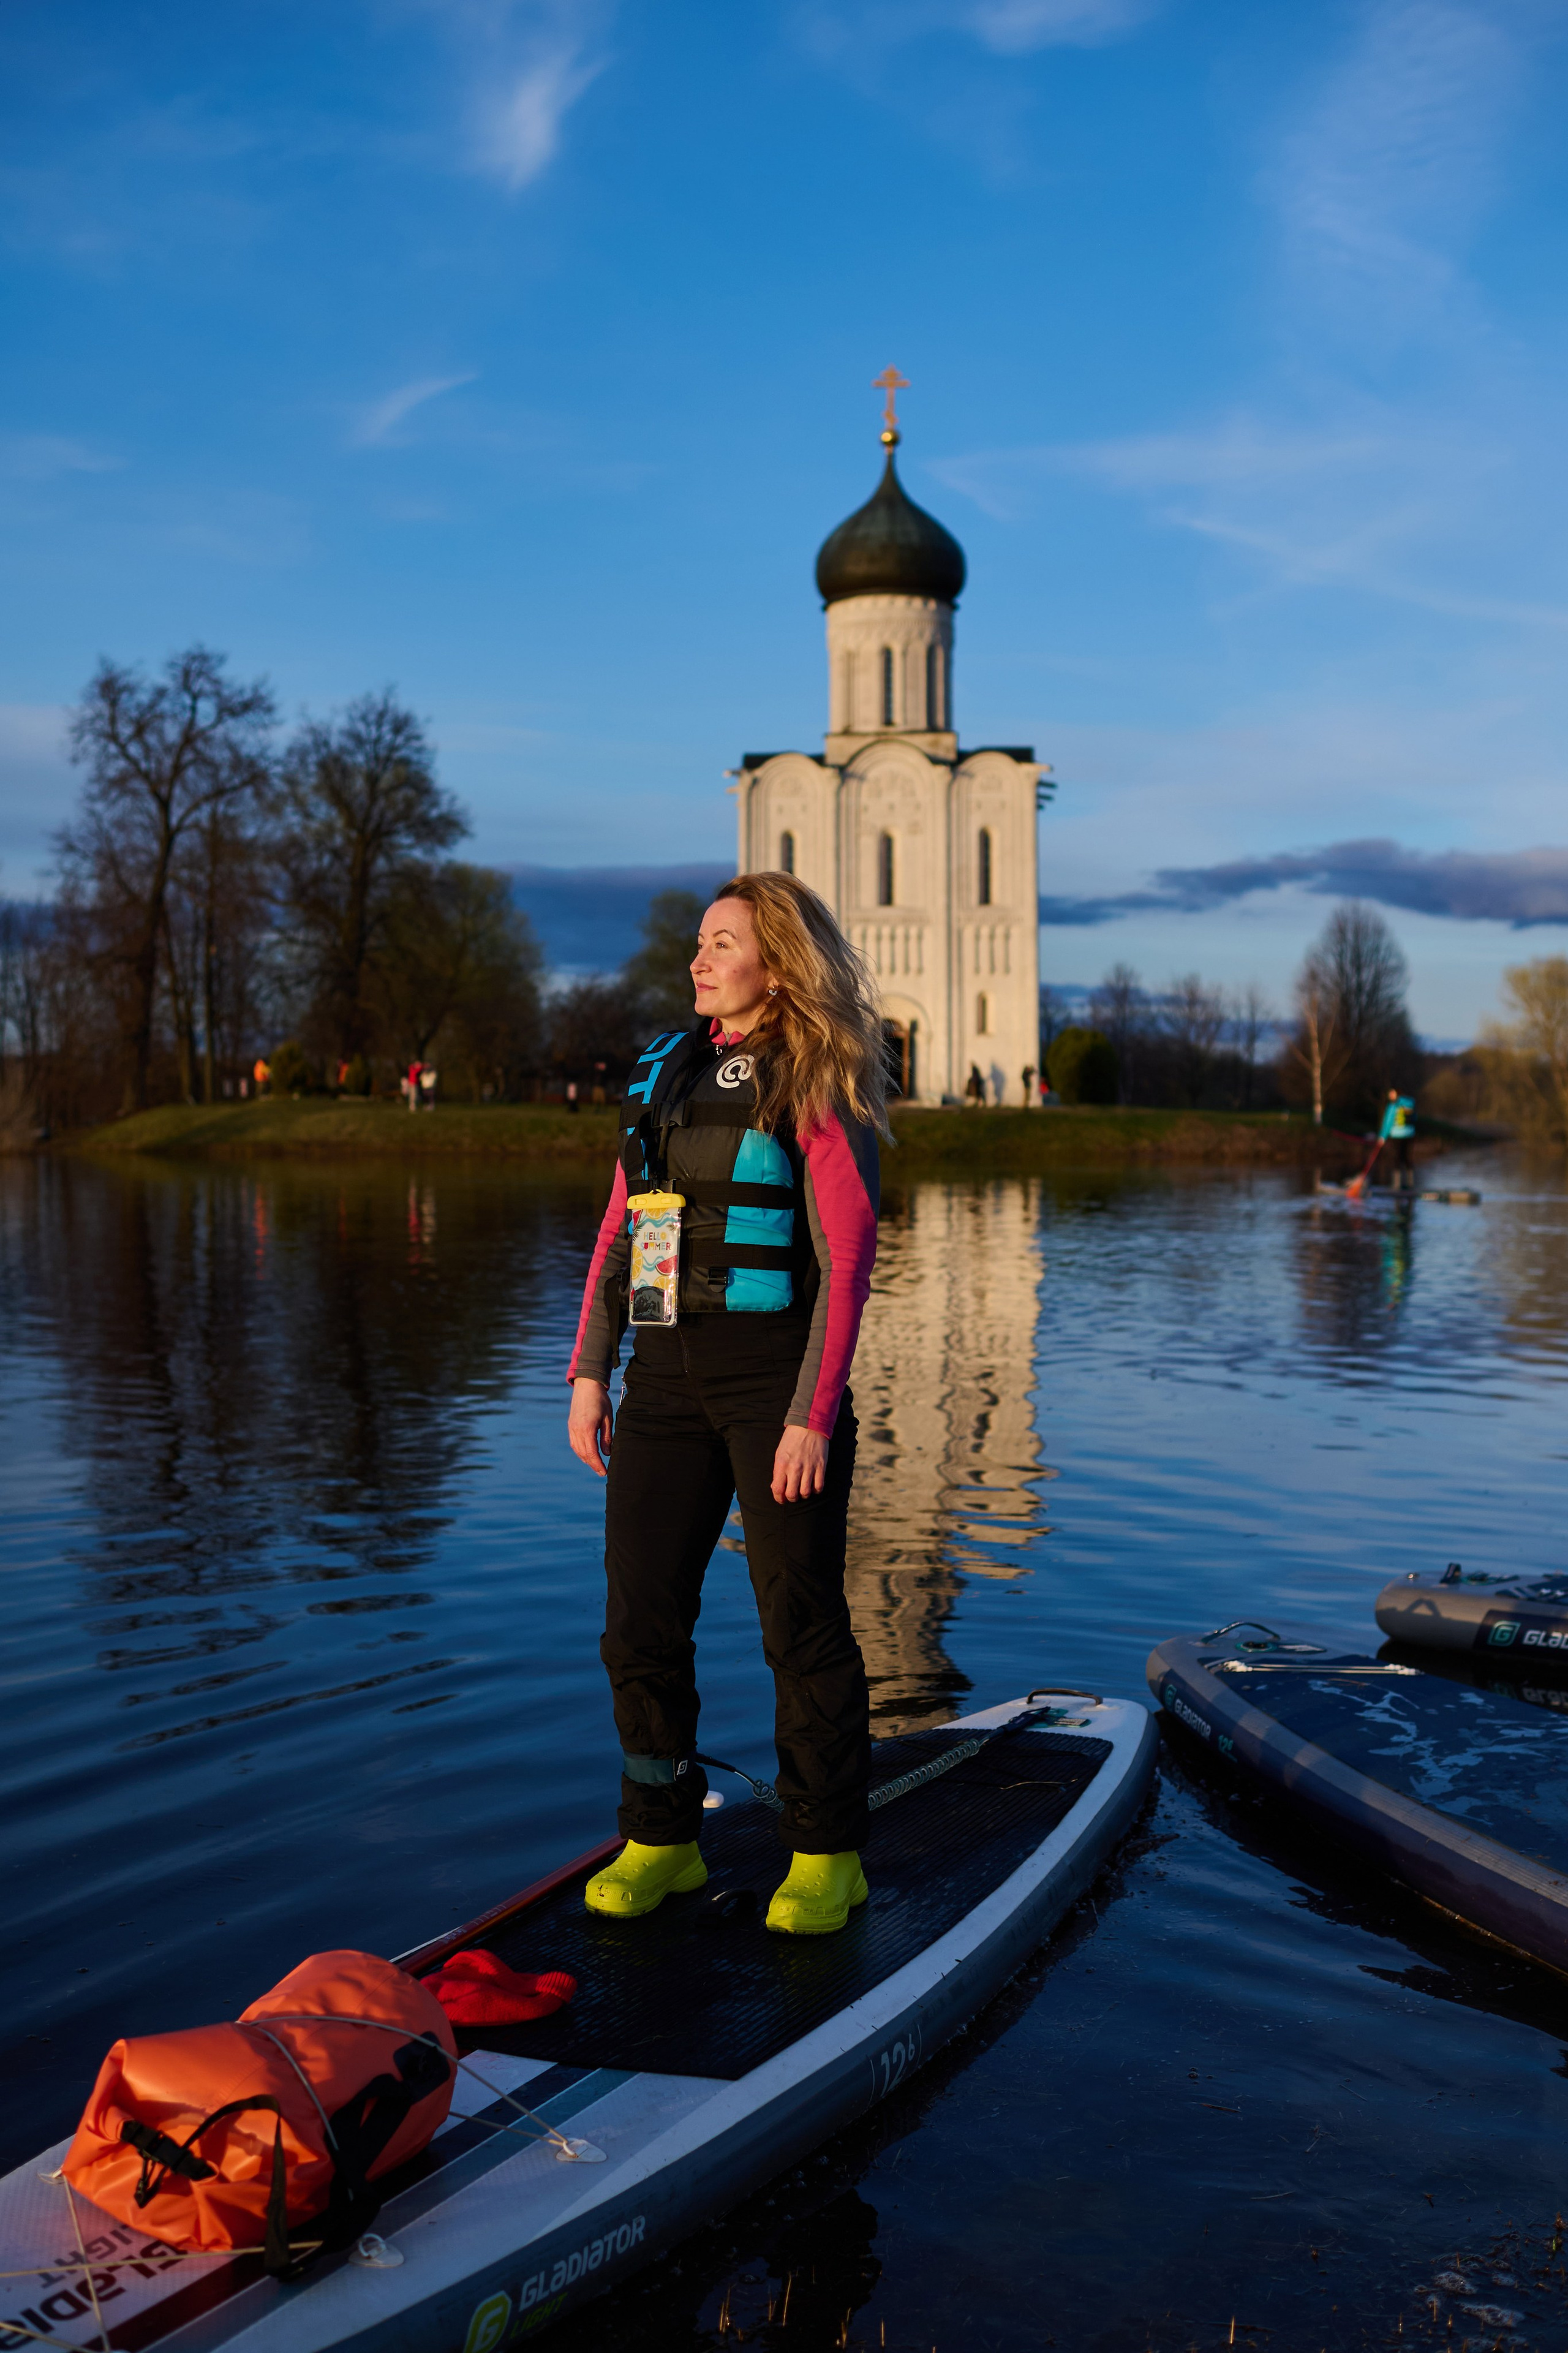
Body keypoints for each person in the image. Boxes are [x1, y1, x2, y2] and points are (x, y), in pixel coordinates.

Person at [566, 874, 884, 1937]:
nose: (697, 960)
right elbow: (621, 1231)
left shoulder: (815, 1076)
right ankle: (661, 1837)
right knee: (638, 1618)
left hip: (772, 1378)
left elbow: (847, 1259)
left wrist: (812, 1416)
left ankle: (827, 1854)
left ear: (777, 965)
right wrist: (589, 1373)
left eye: (722, 943)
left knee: (798, 1619)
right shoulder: (666, 1070)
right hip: (662, 1378)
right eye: (699, 942)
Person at [1379, 1088, 1416, 1190]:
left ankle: (1397, 1185)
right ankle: (1410, 1184)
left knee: (1397, 1158)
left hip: (1397, 1135)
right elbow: (1414, 1116)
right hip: (1410, 1134)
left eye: (1392, 1094)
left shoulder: (1393, 1106)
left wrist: (1383, 1137)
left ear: (1397, 1094)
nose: (1390, 1096)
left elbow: (1388, 1123)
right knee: (1407, 1158)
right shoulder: (1410, 1103)